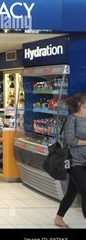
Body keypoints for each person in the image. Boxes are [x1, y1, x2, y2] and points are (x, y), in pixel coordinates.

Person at [54, 93, 86, 228]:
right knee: (85, 190)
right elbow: (70, 140)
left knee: (72, 191)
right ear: (81, 104)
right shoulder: (72, 119)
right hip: (75, 161)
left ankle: (58, 218)